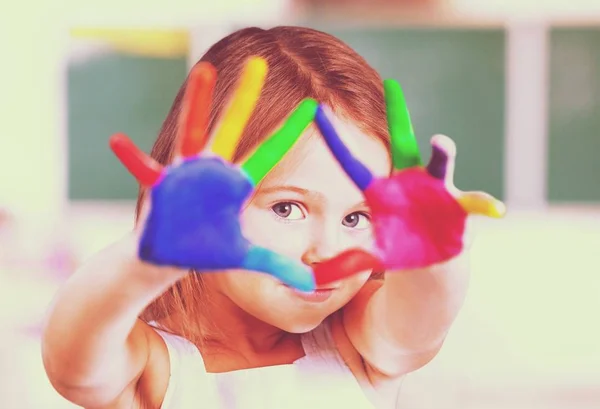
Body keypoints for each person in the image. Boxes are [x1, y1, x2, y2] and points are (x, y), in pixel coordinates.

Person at [42, 26, 500, 409]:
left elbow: (417, 327)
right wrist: (144, 260)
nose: (326, 250)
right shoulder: (152, 363)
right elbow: (73, 364)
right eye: (288, 208)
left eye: (358, 216)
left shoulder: (357, 341)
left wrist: (437, 255)